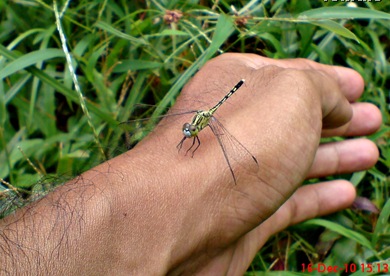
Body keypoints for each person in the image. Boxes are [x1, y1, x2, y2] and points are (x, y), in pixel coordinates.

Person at [0, 54, 381, 275]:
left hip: (226, 103)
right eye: (188, 129)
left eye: (189, 129)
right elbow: (184, 138)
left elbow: (221, 149)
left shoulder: (208, 124)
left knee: (228, 155)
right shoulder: (189, 125)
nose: (187, 131)